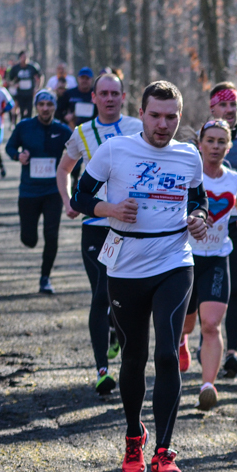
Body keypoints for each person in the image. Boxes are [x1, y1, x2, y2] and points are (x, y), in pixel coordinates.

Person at [71, 80, 209, 472]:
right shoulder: (115, 149)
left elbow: (198, 199)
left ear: (179, 117)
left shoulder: (189, 156)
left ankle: (163, 452)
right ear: (142, 113)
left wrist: (198, 218)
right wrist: (110, 208)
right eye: (155, 115)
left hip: (174, 260)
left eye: (171, 117)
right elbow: (81, 196)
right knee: (133, 356)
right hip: (126, 265)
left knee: (167, 354)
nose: (163, 125)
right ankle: (135, 434)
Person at [57, 72, 142, 395]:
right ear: (93, 98)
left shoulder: (138, 127)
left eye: (114, 93)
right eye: (103, 93)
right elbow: (64, 170)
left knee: (118, 297)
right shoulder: (82, 132)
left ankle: (114, 336)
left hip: (130, 227)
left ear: (123, 97)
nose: (109, 99)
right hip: (94, 226)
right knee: (100, 294)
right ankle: (102, 370)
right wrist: (69, 202)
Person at [180, 119, 237, 410]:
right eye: (210, 140)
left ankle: (207, 386)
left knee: (210, 324)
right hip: (184, 258)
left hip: (217, 257)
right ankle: (183, 341)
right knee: (185, 323)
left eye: (222, 141)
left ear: (229, 146)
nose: (216, 146)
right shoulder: (188, 176)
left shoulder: (233, 179)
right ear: (200, 143)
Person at [206, 81, 237, 378]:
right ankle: (203, 337)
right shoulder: (203, 139)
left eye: (233, 105)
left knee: (235, 289)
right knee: (200, 294)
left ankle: (232, 353)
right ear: (212, 107)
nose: (229, 110)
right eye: (223, 105)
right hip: (205, 227)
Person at [6, 89, 72, 293]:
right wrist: (19, 157)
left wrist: (74, 176)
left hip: (53, 191)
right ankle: (29, 237)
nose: (45, 108)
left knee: (51, 236)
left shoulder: (62, 130)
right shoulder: (24, 127)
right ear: (36, 106)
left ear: (54, 107)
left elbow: (77, 153)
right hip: (28, 191)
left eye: (49, 104)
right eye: (41, 104)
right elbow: (10, 148)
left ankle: (45, 278)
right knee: (29, 239)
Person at [6, 52, 41, 121]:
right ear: (20, 58)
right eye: (23, 57)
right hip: (20, 93)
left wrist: (37, 87)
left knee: (29, 110)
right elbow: (8, 80)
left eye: (26, 57)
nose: (25, 59)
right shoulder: (15, 68)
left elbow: (40, 77)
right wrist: (14, 84)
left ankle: (29, 124)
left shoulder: (32, 67)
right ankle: (20, 123)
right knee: (21, 110)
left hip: (30, 92)